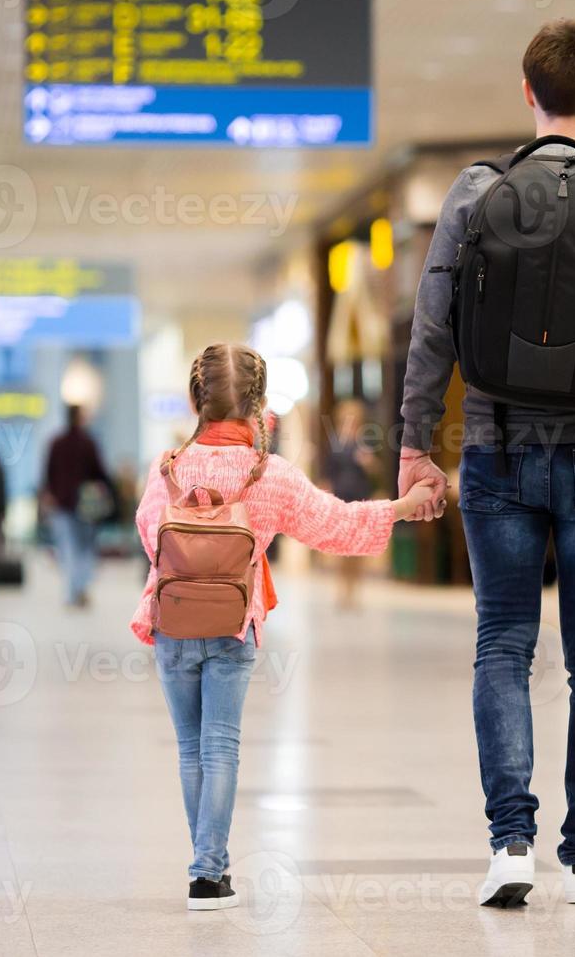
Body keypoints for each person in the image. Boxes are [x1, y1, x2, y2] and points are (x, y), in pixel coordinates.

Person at [398, 19, 575, 906]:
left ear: (528, 93)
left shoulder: (476, 193)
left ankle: (510, 844)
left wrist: (416, 443)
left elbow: (433, 329)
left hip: (497, 450)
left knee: (502, 646)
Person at [131, 343, 437, 911]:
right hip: (231, 626)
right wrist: (401, 506)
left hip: (171, 622)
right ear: (259, 405)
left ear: (198, 400)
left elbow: (151, 536)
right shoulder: (267, 474)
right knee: (221, 745)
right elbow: (337, 525)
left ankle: (208, 865)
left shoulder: (167, 467)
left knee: (190, 748)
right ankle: (207, 873)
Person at [42, 404, 111, 606]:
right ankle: (80, 588)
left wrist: (49, 495)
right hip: (86, 505)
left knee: (68, 549)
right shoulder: (88, 442)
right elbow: (100, 472)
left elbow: (48, 473)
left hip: (62, 503)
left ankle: (73, 592)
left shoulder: (56, 442)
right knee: (85, 549)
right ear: (79, 417)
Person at [321, 399, 381, 604]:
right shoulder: (335, 442)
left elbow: (377, 472)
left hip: (360, 496)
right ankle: (342, 588)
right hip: (341, 498)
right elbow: (328, 472)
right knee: (342, 545)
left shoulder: (366, 440)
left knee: (359, 546)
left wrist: (369, 463)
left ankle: (355, 589)